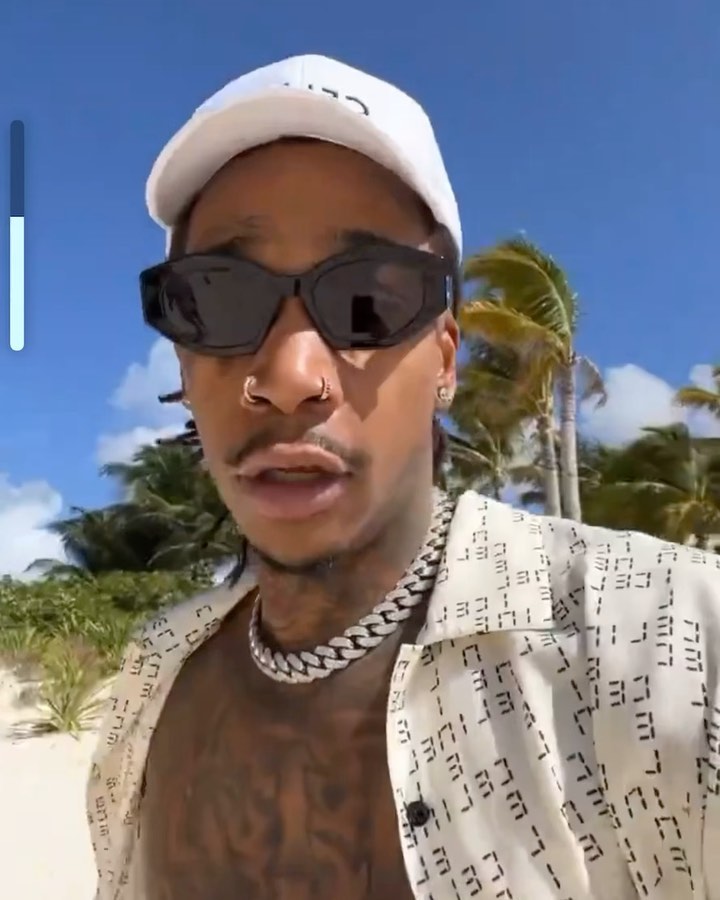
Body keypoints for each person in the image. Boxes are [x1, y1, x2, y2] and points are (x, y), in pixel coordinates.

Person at [86, 54, 720, 900]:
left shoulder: (672, 645)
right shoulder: (150, 682)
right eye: (220, 299)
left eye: (367, 302)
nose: (289, 376)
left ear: (446, 361)